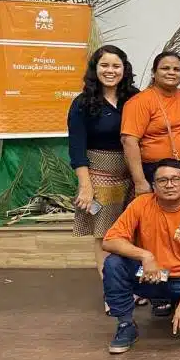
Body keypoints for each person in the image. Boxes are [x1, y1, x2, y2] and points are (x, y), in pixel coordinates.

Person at [101, 158, 180, 354]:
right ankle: (125, 325)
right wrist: (146, 256)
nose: (169, 185)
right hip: (149, 274)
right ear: (154, 185)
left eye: (176, 179)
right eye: (163, 180)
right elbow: (109, 241)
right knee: (113, 264)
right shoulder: (140, 204)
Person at [68, 45, 140, 294]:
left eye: (116, 66)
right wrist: (85, 186)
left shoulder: (134, 98)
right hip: (98, 176)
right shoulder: (83, 103)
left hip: (133, 173)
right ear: (95, 69)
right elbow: (76, 148)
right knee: (105, 234)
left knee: (133, 230)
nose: (110, 71)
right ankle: (113, 291)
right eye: (105, 65)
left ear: (124, 69)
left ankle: (135, 286)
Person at [121, 51, 180, 195]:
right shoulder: (139, 101)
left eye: (176, 69)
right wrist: (140, 181)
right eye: (165, 68)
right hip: (160, 172)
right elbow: (129, 141)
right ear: (153, 73)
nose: (171, 72)